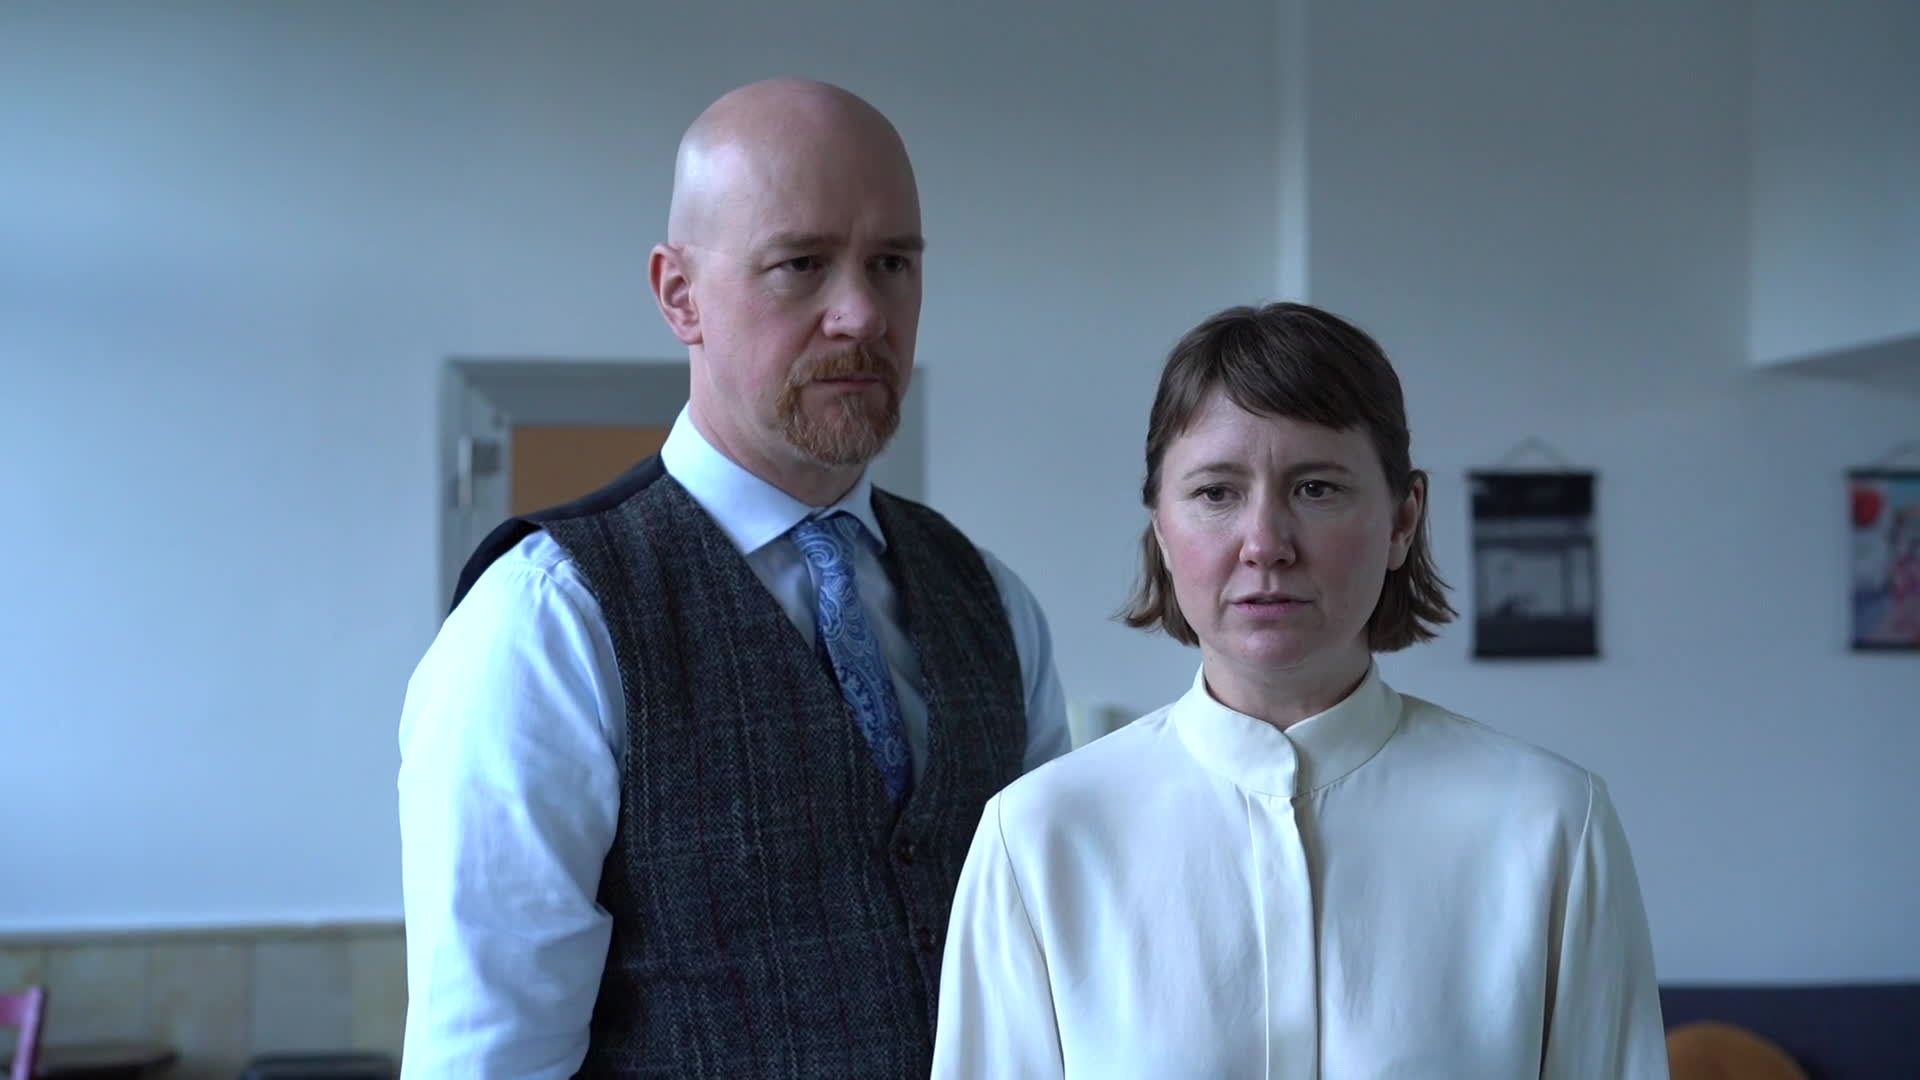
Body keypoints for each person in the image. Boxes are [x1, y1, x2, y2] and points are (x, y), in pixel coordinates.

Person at [397, 78, 1070, 1078]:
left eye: (892, 264)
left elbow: (1051, 983)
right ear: (680, 295)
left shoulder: (993, 604)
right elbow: (492, 1054)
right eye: (801, 265)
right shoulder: (547, 625)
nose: (862, 315)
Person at [932, 302, 1668, 1078]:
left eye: (1315, 488)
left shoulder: (1551, 824)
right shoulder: (1040, 836)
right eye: (1216, 492)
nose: (1265, 545)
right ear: (1160, 528)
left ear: (1403, 520)